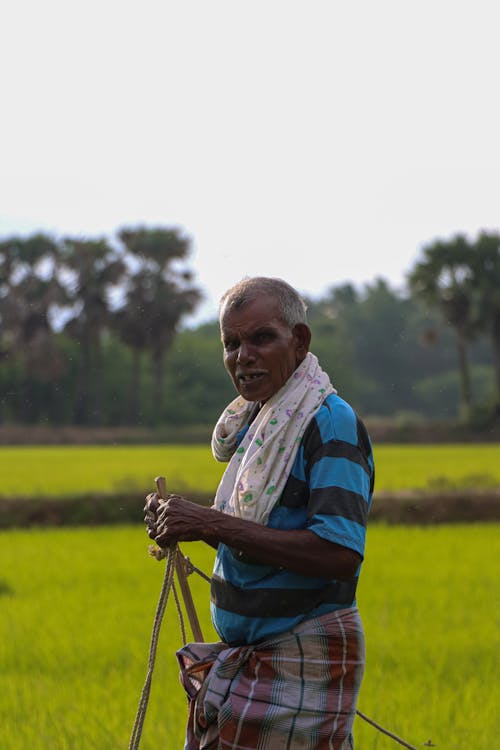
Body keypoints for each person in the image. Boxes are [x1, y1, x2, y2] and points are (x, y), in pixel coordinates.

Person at [144, 276, 374, 750]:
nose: (243, 356)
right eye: (231, 343)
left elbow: (338, 553)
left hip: (299, 657)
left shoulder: (329, 424)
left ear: (300, 341)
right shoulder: (261, 420)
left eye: (261, 338)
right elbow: (255, 536)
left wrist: (209, 521)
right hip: (247, 660)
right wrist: (183, 522)